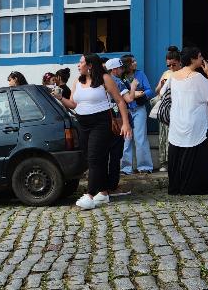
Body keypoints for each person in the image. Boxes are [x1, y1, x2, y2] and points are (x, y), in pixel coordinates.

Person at [60, 54, 133, 210]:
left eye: (81, 63)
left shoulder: (105, 78)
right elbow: (73, 104)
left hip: (101, 123)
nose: (78, 66)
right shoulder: (77, 82)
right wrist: (60, 98)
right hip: (83, 123)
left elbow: (120, 101)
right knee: (92, 159)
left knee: (94, 157)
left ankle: (90, 194)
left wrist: (125, 124)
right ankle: (104, 192)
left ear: (90, 65)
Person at [168, 47, 208, 195]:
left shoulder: (173, 75)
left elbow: (162, 91)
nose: (202, 58)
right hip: (195, 120)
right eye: (200, 56)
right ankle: (193, 187)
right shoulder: (197, 77)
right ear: (193, 59)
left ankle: (176, 187)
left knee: (177, 154)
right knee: (197, 155)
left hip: (177, 119)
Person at [118, 54, 155, 174]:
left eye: (135, 60)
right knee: (126, 139)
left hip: (139, 109)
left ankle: (144, 167)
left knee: (140, 138)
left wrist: (141, 93)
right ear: (127, 64)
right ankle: (125, 168)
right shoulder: (120, 77)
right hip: (125, 111)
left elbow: (150, 91)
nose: (135, 63)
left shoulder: (140, 74)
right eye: (132, 61)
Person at [154, 46, 182, 171]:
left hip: (179, 107)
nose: (171, 68)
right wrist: (162, 84)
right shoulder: (166, 74)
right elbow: (157, 91)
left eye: (173, 65)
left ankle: (177, 161)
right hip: (166, 107)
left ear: (180, 62)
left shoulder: (184, 73)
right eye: (168, 65)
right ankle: (164, 162)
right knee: (164, 135)